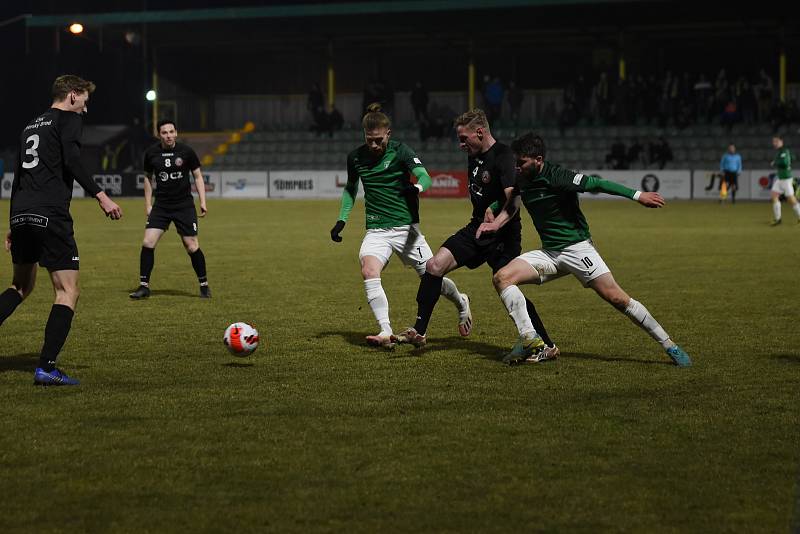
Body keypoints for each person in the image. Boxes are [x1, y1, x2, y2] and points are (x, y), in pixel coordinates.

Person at [477, 132, 691, 366]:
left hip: (578, 250)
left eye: (522, 163)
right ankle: (530, 339)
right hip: (550, 253)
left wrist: (638, 195)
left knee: (618, 299)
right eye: (516, 163)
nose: (516, 168)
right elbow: (511, 195)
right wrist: (493, 206)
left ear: (538, 159)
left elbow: (596, 183)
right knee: (502, 278)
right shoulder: (523, 177)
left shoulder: (558, 176)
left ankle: (670, 345)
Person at [393, 109, 556, 361]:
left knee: (507, 285)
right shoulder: (475, 155)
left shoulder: (503, 156)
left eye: (463, 138)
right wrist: (485, 216)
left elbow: (513, 200)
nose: (461, 144)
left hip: (504, 234)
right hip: (476, 228)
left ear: (479, 132)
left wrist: (495, 220)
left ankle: (545, 343)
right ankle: (419, 331)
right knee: (434, 265)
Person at [0, 75, 123, 386]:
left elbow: (17, 178)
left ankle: (47, 365)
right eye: (84, 100)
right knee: (67, 290)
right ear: (71, 95)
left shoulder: (30, 125)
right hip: (51, 213)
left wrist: (14, 221)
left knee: (20, 287)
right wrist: (101, 195)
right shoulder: (68, 119)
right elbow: (73, 161)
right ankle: (47, 367)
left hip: (22, 212)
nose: (85, 108)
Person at [329, 103, 471, 349]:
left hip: (406, 231)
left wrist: (415, 188)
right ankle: (385, 331)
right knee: (369, 271)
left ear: (389, 134)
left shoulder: (401, 151)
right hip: (377, 231)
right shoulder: (355, 157)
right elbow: (351, 189)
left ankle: (461, 301)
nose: (374, 145)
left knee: (431, 277)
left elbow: (425, 177)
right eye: (369, 139)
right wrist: (342, 219)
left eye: (378, 140)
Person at [129, 120, 210, 299]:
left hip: (184, 206)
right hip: (162, 206)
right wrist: (148, 204)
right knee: (148, 242)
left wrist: (202, 201)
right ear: (159, 135)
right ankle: (144, 287)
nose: (168, 135)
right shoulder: (151, 153)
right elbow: (148, 179)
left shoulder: (186, 152)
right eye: (164, 132)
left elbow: (197, 176)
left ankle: (204, 285)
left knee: (191, 246)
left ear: (176, 132)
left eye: (171, 131)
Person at [768, 134, 799, 225]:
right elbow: (793, 157)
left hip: (786, 179)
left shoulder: (784, 150)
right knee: (774, 195)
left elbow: (785, 163)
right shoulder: (781, 151)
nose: (775, 143)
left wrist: (775, 163)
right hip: (781, 178)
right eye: (774, 141)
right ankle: (778, 219)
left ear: (782, 142)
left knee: (791, 200)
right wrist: (789, 159)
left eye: (777, 141)